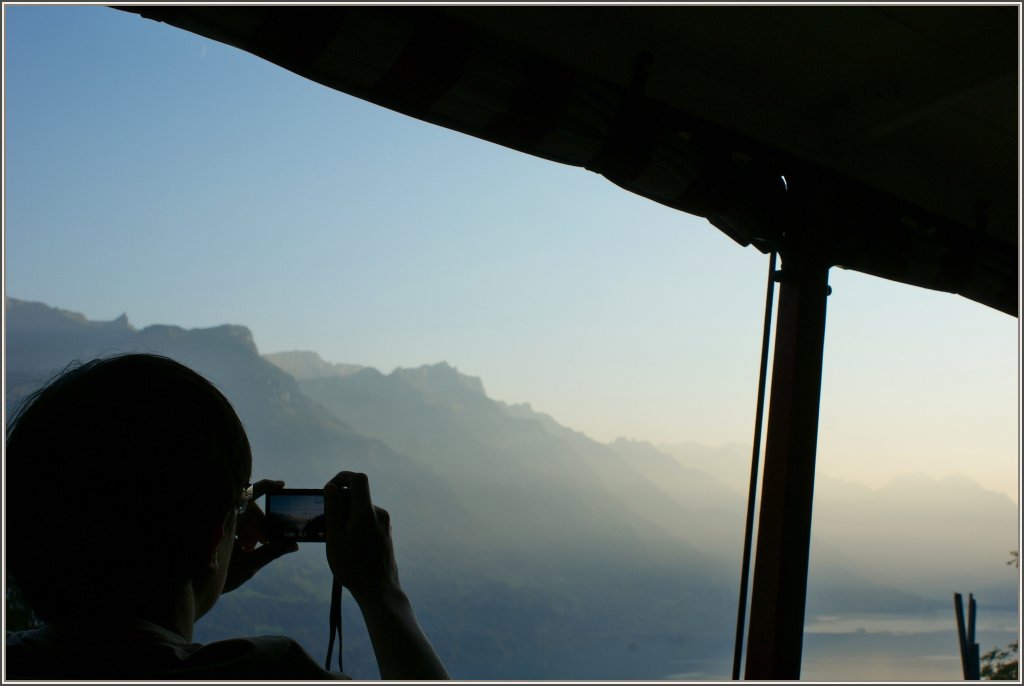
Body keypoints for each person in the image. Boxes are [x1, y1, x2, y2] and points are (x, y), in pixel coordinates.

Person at [4, 353, 449, 680]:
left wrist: (199, 577)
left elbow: (116, 641)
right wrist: (384, 595)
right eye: (239, 505)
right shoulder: (266, 672)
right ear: (212, 536)